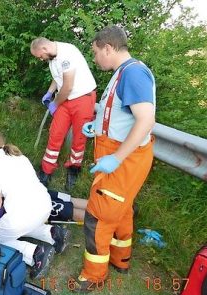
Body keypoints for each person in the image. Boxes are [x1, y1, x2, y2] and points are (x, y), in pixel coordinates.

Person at [74, 25, 156, 292]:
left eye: (96, 52)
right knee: (121, 210)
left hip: (123, 161)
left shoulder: (133, 74)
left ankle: (94, 274)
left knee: (98, 214)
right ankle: (121, 259)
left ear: (108, 48)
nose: (95, 58)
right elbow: (120, 114)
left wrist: (117, 159)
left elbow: (145, 120)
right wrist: (96, 127)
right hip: (121, 155)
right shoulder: (123, 72)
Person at [0, 132, 71, 279]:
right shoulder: (19, 156)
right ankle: (53, 233)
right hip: (44, 206)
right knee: (20, 225)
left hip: (24, 215)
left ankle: (35, 254)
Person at [30, 37, 97, 191]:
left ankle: (74, 168)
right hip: (65, 98)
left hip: (82, 98)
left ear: (45, 49)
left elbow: (67, 86)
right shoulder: (52, 57)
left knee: (79, 137)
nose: (40, 59)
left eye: (40, 56)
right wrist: (49, 92)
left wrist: (54, 104)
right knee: (55, 133)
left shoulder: (67, 52)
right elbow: (58, 78)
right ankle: (46, 170)